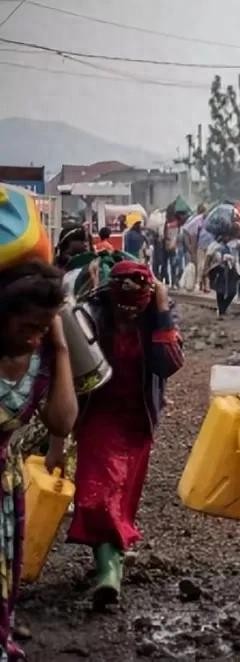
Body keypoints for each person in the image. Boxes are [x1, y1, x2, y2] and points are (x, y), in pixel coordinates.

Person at [69, 261, 183, 610]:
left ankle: (110, 565)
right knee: (95, 496)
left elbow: (167, 363)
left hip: (136, 422)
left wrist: (161, 310)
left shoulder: (157, 316)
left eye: (137, 307)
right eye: (123, 307)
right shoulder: (92, 313)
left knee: (120, 498)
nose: (129, 314)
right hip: (98, 417)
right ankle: (109, 572)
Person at [0, 261, 78, 659]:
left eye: (43, 328)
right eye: (26, 327)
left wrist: (61, 347)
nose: (34, 338)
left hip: (4, 483)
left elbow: (62, 420)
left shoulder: (42, 357)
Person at [205, 235, 240, 319]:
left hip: (231, 271)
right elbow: (215, 260)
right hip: (221, 271)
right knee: (221, 291)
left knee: (232, 291)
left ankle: (222, 309)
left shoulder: (233, 247)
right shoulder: (218, 247)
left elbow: (236, 259)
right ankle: (222, 310)